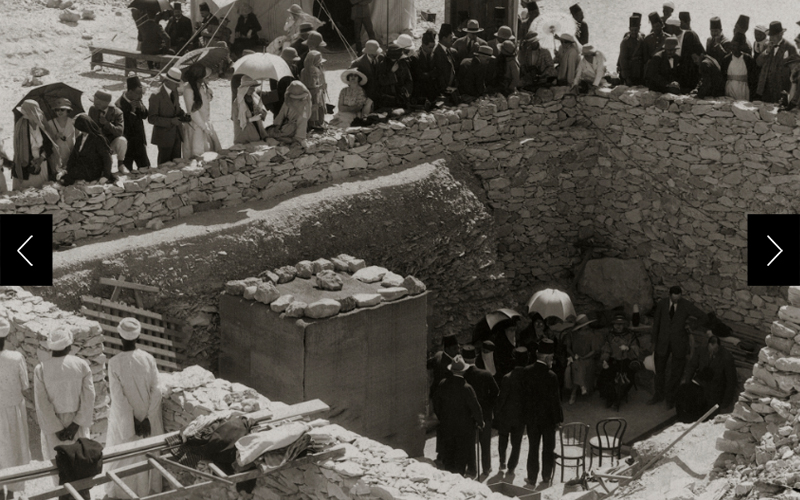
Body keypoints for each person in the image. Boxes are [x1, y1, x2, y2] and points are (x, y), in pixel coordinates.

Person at [104, 318, 164, 498]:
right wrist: (146, 418)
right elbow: (157, 390)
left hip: (125, 422)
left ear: (120, 336)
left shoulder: (114, 362)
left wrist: (132, 422)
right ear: (138, 336)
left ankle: (122, 494)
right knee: (146, 457)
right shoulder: (148, 359)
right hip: (147, 418)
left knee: (124, 458)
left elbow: (118, 398)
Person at [34, 328, 96, 463]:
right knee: (80, 462)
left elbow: (42, 402)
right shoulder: (81, 365)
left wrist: (56, 428)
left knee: (58, 465)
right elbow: (89, 397)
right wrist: (76, 424)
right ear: (69, 345)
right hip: (77, 423)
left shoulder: (41, 369)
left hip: (54, 424)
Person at [648, 285, 707, 409]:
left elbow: (703, 317)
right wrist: (653, 342)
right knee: (659, 370)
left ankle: (671, 398)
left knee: (676, 372)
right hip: (662, 342)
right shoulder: (662, 304)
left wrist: (691, 326)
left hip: (679, 343)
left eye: (678, 298)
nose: (676, 301)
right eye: (674, 299)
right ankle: (658, 395)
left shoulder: (685, 305)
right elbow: (656, 324)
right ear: (670, 295)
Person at [432, 355, 484, 476]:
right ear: (464, 371)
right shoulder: (467, 388)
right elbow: (475, 408)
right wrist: (480, 422)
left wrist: (441, 417)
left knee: (448, 458)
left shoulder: (443, 383)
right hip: (464, 430)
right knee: (460, 459)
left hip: (447, 428)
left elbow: (436, 402)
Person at [522, 339, 562, 489]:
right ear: (545, 358)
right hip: (548, 420)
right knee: (548, 448)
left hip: (532, 419)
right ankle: (546, 476)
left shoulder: (526, 371)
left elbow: (523, 397)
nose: (552, 360)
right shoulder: (551, 376)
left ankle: (531, 477)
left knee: (533, 448)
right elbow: (555, 401)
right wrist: (558, 420)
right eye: (551, 357)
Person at [0, 318, 31, 500]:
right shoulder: (17, 358)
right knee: (13, 450)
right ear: (8, 335)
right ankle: (11, 492)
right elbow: (24, 386)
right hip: (13, 412)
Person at [462, 346, 499, 477]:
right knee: (485, 442)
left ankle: (472, 469)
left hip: (467, 415)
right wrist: (488, 407)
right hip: (485, 414)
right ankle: (486, 467)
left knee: (470, 443)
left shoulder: (461, 376)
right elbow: (496, 392)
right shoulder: (485, 374)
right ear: (475, 358)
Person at [598, 314, 641, 410]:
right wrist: (604, 360)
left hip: (626, 361)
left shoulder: (630, 335)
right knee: (605, 376)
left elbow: (636, 349)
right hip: (613, 360)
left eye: (621, 324)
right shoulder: (610, 335)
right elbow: (606, 348)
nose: (618, 326)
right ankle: (611, 398)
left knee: (627, 378)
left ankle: (619, 398)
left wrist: (628, 348)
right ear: (613, 325)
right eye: (616, 324)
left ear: (624, 325)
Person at [12, 100, 58, 190]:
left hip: (41, 161)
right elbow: (18, 147)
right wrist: (32, 162)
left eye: (25, 111)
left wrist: (41, 158)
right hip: (24, 161)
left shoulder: (42, 125)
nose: (23, 113)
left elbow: (49, 144)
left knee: (40, 190)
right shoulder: (20, 125)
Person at [686, 334, 737, 416]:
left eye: (715, 350)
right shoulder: (701, 350)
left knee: (711, 416)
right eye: (710, 349)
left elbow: (731, 381)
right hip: (701, 388)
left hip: (715, 392)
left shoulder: (727, 357)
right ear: (708, 345)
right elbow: (692, 367)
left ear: (719, 347)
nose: (712, 352)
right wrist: (687, 385)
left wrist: (725, 402)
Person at [495, 346, 527, 475]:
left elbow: (502, 398)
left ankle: (502, 461)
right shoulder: (529, 377)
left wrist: (496, 412)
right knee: (516, 443)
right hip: (521, 416)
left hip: (506, 415)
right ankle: (511, 466)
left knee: (503, 439)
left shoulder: (507, 378)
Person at [148, 67, 188, 165]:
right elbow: (152, 119)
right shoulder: (156, 96)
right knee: (164, 165)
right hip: (164, 137)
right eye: (176, 83)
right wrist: (171, 121)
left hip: (177, 134)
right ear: (168, 81)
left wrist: (183, 115)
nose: (177, 85)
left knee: (177, 164)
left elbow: (177, 109)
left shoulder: (175, 92)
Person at [60, 114, 114, 186]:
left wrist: (106, 176)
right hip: (81, 167)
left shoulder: (97, 139)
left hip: (92, 170)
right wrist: (66, 169)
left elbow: (106, 157)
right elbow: (73, 155)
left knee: (67, 178)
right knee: (60, 175)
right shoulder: (80, 138)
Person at [182, 64, 221, 157]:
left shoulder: (201, 86)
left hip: (205, 122)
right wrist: (203, 127)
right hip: (196, 126)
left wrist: (208, 95)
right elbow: (193, 111)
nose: (205, 79)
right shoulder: (188, 89)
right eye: (204, 77)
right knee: (199, 153)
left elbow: (204, 102)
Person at [756, 21, 799, 103]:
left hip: (781, 89)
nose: (771, 39)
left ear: (780, 34)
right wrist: (766, 52)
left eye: (773, 36)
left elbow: (796, 70)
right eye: (770, 36)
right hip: (765, 89)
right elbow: (758, 63)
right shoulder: (766, 45)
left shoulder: (790, 47)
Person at [116, 76, 150, 173]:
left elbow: (144, 116)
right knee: (127, 172)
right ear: (130, 92)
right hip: (128, 144)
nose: (141, 96)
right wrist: (132, 111)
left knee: (146, 169)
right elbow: (124, 125)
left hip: (139, 141)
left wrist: (141, 108)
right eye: (138, 93)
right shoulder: (119, 104)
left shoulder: (138, 100)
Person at [565, 314, 600, 405]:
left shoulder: (591, 335)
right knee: (577, 365)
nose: (587, 326)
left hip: (587, 358)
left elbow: (593, 350)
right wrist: (574, 355)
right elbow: (568, 348)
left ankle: (575, 392)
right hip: (575, 358)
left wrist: (585, 357)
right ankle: (581, 386)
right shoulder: (572, 335)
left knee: (581, 365)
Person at [264, 80, 312, 145]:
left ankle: (286, 140)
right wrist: (277, 127)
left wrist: (298, 137)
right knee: (268, 132)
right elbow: (281, 114)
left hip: (295, 130)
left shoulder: (304, 106)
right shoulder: (288, 102)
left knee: (295, 140)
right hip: (285, 127)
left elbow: (302, 123)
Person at [88, 90, 127, 168]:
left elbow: (119, 132)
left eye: (96, 101)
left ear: (104, 103)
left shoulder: (117, 112)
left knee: (122, 140)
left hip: (111, 144)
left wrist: (107, 124)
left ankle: (120, 164)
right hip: (97, 143)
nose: (94, 103)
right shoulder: (93, 109)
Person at [664, 17, 703, 91]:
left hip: (691, 75)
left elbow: (699, 54)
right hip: (681, 76)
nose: (667, 29)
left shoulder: (689, 35)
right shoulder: (672, 38)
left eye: (668, 27)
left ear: (673, 27)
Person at [375, 43, 413, 110]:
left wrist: (407, 90)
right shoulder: (383, 65)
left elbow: (408, 79)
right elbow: (381, 81)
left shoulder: (402, 62)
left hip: (402, 97)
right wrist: (391, 72)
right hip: (388, 99)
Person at [722, 33, 758, 100]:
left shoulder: (748, 59)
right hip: (730, 89)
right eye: (732, 45)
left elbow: (753, 79)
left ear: (741, 46)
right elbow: (723, 77)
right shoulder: (726, 59)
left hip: (743, 90)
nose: (732, 48)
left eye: (735, 46)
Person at [232, 76, 267, 144]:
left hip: (257, 127)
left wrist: (261, 111)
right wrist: (251, 119)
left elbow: (262, 112)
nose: (253, 90)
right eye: (251, 88)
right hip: (245, 132)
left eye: (254, 88)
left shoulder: (254, 98)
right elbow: (237, 121)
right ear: (245, 88)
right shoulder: (237, 103)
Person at [410, 29, 440, 105]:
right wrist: (431, 74)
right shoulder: (415, 57)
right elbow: (418, 76)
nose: (432, 49)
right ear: (423, 45)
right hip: (420, 95)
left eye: (433, 47)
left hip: (431, 94)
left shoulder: (434, 55)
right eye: (430, 47)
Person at [45, 98, 76, 170]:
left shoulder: (73, 122)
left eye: (62, 109)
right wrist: (55, 136)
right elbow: (47, 141)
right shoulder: (50, 123)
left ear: (68, 110)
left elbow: (78, 137)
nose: (59, 112)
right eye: (57, 110)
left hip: (70, 154)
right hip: (56, 156)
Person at [351, 39, 383, 107]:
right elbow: (351, 81)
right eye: (376, 52)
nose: (378, 53)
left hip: (378, 94)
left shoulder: (379, 58)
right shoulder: (357, 63)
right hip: (365, 95)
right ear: (371, 53)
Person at [300, 50, 327, 130]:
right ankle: (313, 125)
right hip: (311, 95)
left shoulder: (319, 68)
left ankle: (319, 123)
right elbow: (305, 86)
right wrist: (318, 87)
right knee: (312, 110)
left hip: (319, 94)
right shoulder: (305, 72)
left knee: (320, 108)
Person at [488, 317, 518, 385]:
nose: (513, 333)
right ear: (505, 331)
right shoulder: (500, 344)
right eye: (511, 330)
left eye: (515, 330)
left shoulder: (514, 341)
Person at [432, 24, 458, 100]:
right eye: (450, 38)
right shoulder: (436, 53)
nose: (452, 40)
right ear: (444, 38)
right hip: (442, 94)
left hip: (450, 91)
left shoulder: (450, 51)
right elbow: (438, 76)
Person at [618, 14, 645, 86]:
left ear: (639, 29)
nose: (634, 32)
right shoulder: (625, 42)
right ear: (629, 29)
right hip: (630, 71)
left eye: (636, 30)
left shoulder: (642, 39)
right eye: (632, 30)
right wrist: (627, 78)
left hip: (639, 71)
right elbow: (623, 60)